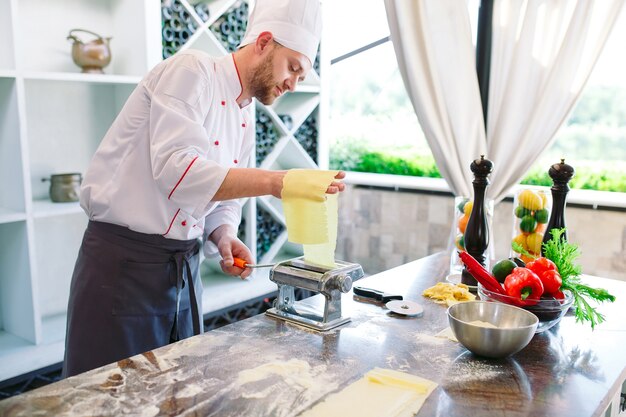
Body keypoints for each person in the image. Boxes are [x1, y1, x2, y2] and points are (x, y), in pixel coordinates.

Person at [63, 0, 343, 377]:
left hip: (182, 271)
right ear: (263, 42)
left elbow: (223, 198)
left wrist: (224, 233)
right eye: (293, 67)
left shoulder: (245, 114)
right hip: (123, 269)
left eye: (302, 76)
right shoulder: (191, 70)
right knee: (108, 396)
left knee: (174, 391)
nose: (294, 82)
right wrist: (277, 182)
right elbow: (177, 172)